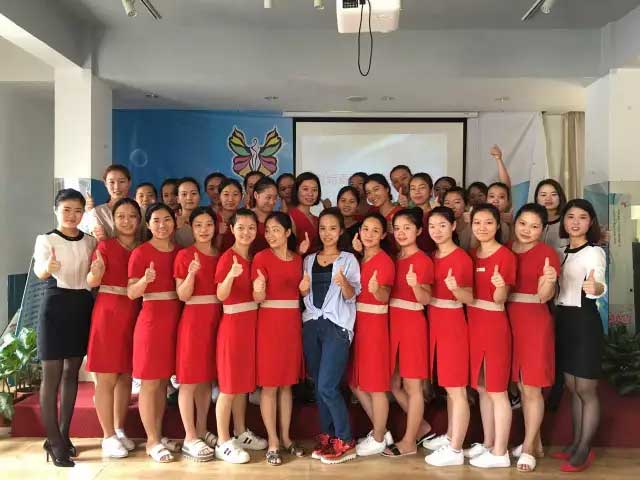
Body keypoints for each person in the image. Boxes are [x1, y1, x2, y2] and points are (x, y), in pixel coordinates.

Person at [33, 189, 97, 468]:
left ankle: (64, 434)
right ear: (56, 210)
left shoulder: (90, 241)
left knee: (72, 372)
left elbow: (93, 274)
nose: (72, 215)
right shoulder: (46, 239)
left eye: (77, 210)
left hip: (81, 304)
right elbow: (40, 273)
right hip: (55, 305)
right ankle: (54, 441)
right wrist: (48, 267)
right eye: (66, 209)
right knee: (52, 375)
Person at [302, 208, 361, 465]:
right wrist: (301, 289)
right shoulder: (308, 259)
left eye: (333, 228)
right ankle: (328, 435)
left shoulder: (348, 259)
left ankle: (345, 439)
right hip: (311, 325)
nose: (327, 233)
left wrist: (343, 283)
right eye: (323, 228)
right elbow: (303, 292)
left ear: (341, 231)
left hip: (337, 326)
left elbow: (351, 295)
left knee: (328, 385)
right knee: (318, 385)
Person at [86, 198, 142, 458]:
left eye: (132, 216)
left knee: (125, 375)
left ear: (139, 220)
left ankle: (119, 429)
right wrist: (96, 273)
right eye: (121, 216)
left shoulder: (143, 248)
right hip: (109, 312)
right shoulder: (105, 246)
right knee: (107, 377)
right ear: (113, 219)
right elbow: (91, 280)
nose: (127, 221)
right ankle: (107, 435)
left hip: (135, 312)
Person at [553, 199, 606, 472]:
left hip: (584, 321)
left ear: (591, 222)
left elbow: (600, 284)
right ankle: (575, 443)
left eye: (582, 217)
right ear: (563, 221)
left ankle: (585, 449)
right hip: (563, 321)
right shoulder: (560, 250)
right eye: (570, 216)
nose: (575, 222)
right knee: (572, 386)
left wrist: (596, 287)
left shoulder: (594, 252)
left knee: (586, 388)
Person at [507, 203, 560, 472]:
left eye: (535, 226)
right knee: (518, 384)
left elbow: (544, 295)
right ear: (514, 222)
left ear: (543, 229)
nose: (527, 230)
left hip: (534, 322)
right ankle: (535, 443)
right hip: (507, 320)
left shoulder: (547, 253)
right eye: (523, 223)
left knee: (531, 386)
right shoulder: (505, 249)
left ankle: (527, 449)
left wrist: (549, 280)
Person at [127, 203, 182, 463]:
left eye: (167, 219)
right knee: (150, 382)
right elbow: (131, 293)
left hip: (176, 319)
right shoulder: (140, 253)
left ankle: (158, 435)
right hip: (151, 321)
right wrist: (144, 280)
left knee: (162, 383)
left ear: (175, 222)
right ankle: (151, 441)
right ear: (148, 225)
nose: (162, 225)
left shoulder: (180, 251)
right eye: (156, 220)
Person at [214, 208, 267, 464]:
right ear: (232, 229)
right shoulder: (228, 258)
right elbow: (221, 295)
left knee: (242, 385)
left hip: (251, 325)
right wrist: (230, 276)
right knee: (228, 386)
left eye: (251, 228)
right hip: (233, 326)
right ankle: (223, 441)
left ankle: (240, 431)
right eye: (241, 227)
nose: (246, 232)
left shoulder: (254, 258)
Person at [465, 203, 516, 469]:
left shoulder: (505, 256)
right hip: (473, 326)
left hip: (494, 327)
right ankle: (488, 443)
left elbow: (500, 299)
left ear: (498, 225)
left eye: (488, 222)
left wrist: (499, 286)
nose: (482, 227)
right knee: (483, 388)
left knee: (497, 390)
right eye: (477, 222)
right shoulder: (471, 255)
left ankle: (500, 452)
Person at [252, 212, 305, 465]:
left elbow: (302, 293)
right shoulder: (261, 257)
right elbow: (257, 297)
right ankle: (272, 441)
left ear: (287, 233)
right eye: (268, 230)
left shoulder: (298, 260)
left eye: (276, 230)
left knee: (287, 384)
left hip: (291, 324)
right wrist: (259, 289)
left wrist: (304, 289)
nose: (270, 235)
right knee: (270, 385)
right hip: (269, 325)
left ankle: (286, 438)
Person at [422, 206, 473, 467]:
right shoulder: (433, 255)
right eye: (432, 226)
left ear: (453, 226)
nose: (437, 231)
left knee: (456, 389)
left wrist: (455, 289)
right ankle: (452, 436)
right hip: (436, 323)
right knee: (449, 388)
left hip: (452, 324)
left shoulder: (461, 257)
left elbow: (469, 297)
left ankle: (455, 450)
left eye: (442, 225)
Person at [383, 208, 434, 458]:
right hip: (392, 324)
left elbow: (426, 299)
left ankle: (409, 441)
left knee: (412, 386)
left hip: (412, 323)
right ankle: (421, 427)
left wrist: (415, 286)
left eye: (407, 228)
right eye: (397, 228)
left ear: (419, 231)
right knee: (393, 383)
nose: (401, 233)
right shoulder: (393, 258)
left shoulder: (423, 260)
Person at [174, 206, 221, 462]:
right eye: (198, 225)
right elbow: (182, 295)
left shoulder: (220, 255)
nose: (204, 230)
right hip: (193, 321)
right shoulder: (184, 255)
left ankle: (202, 428)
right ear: (191, 228)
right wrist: (191, 273)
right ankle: (189, 436)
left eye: (208, 225)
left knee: (206, 379)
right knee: (190, 380)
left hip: (217, 319)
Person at [349, 212, 395, 457]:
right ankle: (382, 430)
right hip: (358, 324)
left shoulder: (384, 261)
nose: (369, 234)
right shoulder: (360, 258)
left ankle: (378, 437)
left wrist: (377, 290)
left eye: (375, 231)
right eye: (365, 229)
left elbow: (384, 295)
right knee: (355, 382)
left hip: (375, 325)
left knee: (376, 385)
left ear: (383, 235)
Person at [84, 165, 132, 240]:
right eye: (111, 182)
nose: (116, 187)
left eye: (122, 181)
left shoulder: (139, 211)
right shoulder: (97, 212)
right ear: (105, 183)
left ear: (129, 183)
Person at [364, 174, 401, 256]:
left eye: (376, 189)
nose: (372, 195)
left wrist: (395, 233)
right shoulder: (371, 212)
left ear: (387, 188)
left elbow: (406, 249)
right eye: (368, 192)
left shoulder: (400, 213)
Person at [534, 179, 569, 259]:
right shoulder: (531, 220)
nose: (548, 198)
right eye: (543, 195)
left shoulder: (568, 221)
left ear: (560, 197)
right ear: (537, 198)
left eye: (553, 194)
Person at [289, 172, 321, 253]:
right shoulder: (290, 217)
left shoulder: (317, 219)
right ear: (296, 191)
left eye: (314, 190)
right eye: (305, 189)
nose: (310, 194)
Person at [409, 173, 435, 254]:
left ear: (431, 191)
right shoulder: (407, 216)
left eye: (422, 187)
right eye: (413, 188)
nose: (417, 192)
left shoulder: (436, 215)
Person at [251, 176, 279, 254]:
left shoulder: (278, 218)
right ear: (256, 195)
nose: (272, 202)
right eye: (268, 197)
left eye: (275, 198)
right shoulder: (245, 217)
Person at [215, 178, 243, 253]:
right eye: (226, 194)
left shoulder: (245, 218)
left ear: (241, 197)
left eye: (235, 194)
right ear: (219, 197)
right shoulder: (212, 218)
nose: (230, 199)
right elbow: (212, 251)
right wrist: (220, 235)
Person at [174, 177, 201, 248]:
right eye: (184, 194)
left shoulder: (208, 218)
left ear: (199, 196)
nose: (189, 198)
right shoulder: (172, 221)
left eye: (193, 193)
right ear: (177, 199)